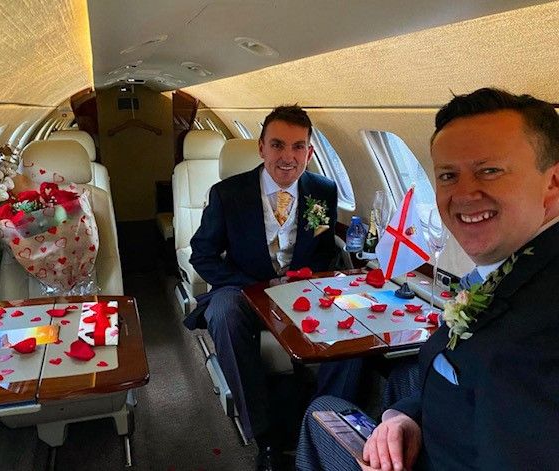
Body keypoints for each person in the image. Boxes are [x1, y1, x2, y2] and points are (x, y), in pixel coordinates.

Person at [296, 87, 559, 470]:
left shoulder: (539, 330)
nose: (465, 193)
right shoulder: (514, 269)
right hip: (434, 431)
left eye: (489, 170)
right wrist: (406, 418)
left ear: (552, 182)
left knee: (321, 410)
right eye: (448, 175)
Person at [185, 105, 358, 470]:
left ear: (310, 153)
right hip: (245, 290)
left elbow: (325, 250)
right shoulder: (227, 194)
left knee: (355, 323)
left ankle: (321, 421)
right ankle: (265, 439)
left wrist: (316, 280)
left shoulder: (323, 191)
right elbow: (202, 255)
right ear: (261, 148)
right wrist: (254, 287)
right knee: (223, 311)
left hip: (300, 289)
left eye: (298, 147)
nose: (288, 157)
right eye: (278, 145)